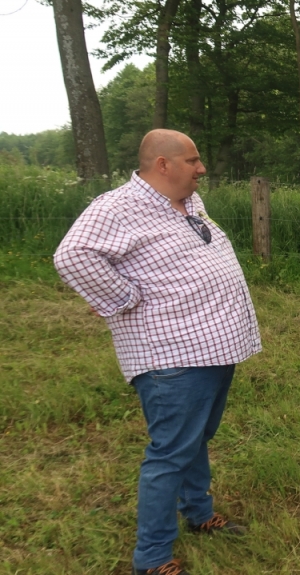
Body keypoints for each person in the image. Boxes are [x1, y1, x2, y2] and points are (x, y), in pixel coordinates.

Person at [54, 129, 261, 575]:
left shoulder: (188, 199)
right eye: (192, 160)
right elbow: (72, 256)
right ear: (162, 164)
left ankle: (199, 513)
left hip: (214, 345)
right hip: (171, 353)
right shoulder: (117, 206)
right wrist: (120, 297)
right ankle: (152, 557)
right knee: (170, 452)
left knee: (195, 439)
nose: (201, 167)